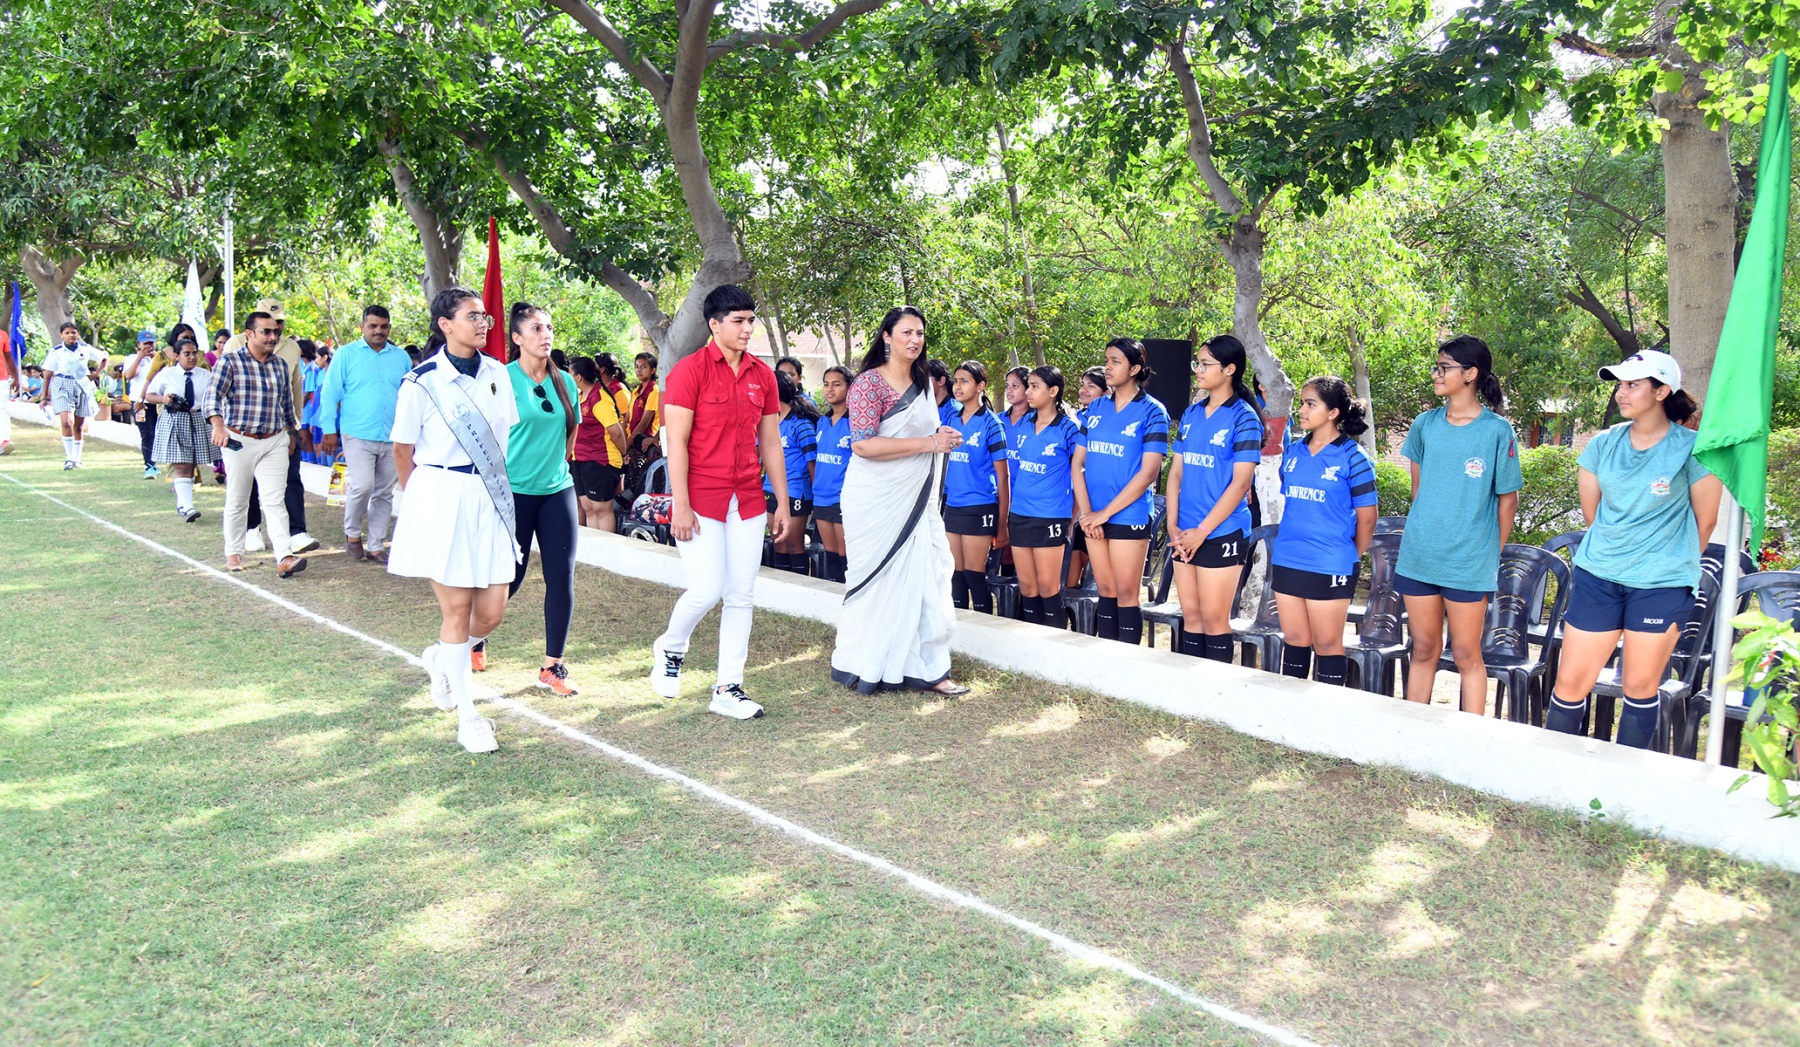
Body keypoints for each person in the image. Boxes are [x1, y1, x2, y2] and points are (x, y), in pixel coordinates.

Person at [1544, 351, 1722, 747]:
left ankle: (1624, 779)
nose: (1621, 393)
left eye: (1633, 385)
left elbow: (1705, 521)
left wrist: (1667, 562)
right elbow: (1593, 515)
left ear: (1661, 391)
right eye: (1620, 385)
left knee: (1639, 685)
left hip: (1661, 584)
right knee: (1571, 681)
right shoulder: (1602, 444)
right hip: (1599, 575)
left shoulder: (1694, 449)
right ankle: (1555, 769)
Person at [648, 284, 792, 720]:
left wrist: (782, 503)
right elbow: (676, 442)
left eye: (751, 320)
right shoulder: (689, 372)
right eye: (738, 321)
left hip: (747, 497)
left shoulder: (762, 376)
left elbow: (770, 443)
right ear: (714, 324)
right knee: (706, 589)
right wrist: (681, 504)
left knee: (741, 594)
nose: (748, 328)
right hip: (700, 498)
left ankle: (728, 687)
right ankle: (671, 647)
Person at [389, 288, 520, 753]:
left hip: (489, 496)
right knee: (458, 611)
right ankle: (469, 717)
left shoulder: (497, 373)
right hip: (442, 495)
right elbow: (402, 449)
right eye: (472, 316)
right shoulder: (421, 382)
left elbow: (504, 438)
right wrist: (423, 502)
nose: (482, 323)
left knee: (491, 613)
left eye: (484, 317)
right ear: (445, 324)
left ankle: (442, 659)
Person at [829, 307, 969, 695]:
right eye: (906, 332)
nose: (915, 340)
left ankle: (929, 669)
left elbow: (921, 433)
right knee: (878, 580)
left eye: (920, 333)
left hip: (917, 500)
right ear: (887, 337)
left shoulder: (922, 382)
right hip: (876, 500)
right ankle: (863, 663)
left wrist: (941, 437)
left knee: (929, 573)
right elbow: (862, 444)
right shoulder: (868, 384)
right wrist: (930, 442)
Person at [1396, 335, 1522, 714]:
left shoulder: (1497, 431)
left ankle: (1471, 738)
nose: (1436, 374)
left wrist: (1490, 554)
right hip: (1419, 557)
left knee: (1467, 655)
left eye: (1444, 368)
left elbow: (1508, 501)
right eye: (1436, 367)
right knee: (1423, 649)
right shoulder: (1425, 424)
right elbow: (1419, 491)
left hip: (1469, 564)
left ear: (1470, 374)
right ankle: (1413, 730)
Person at [500, 302, 584, 697]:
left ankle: (552, 667)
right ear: (517, 337)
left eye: (548, 327)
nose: (545, 334)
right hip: (513, 492)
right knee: (510, 577)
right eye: (535, 328)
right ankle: (474, 639)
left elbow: (571, 430)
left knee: (561, 575)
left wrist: (557, 466)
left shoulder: (565, 381)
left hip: (557, 490)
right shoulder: (501, 379)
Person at [1271, 376, 1379, 685]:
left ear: (1333, 413)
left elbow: (1367, 518)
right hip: (1289, 559)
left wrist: (1348, 555)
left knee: (1327, 644)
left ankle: (1329, 710)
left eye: (1311, 404)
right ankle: (1292, 709)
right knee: (1295, 639)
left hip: (1331, 564)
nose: (1302, 410)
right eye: (1302, 403)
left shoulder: (1353, 457)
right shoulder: (1293, 452)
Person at [1166, 335, 1264, 662]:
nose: (1198, 369)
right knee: (1191, 617)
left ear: (1229, 369)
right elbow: (1176, 473)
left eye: (1206, 364)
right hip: (1185, 531)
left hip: (1221, 531)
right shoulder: (1192, 413)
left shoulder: (1244, 417)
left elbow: (1240, 485)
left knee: (1213, 620)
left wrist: (1203, 531)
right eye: (1198, 363)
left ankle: (1216, 688)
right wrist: (1172, 525)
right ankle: (1190, 686)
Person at [1073, 338, 1169, 645]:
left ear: (1135, 369)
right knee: (1106, 591)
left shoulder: (1153, 411)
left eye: (1116, 362)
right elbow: (1077, 464)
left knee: (1126, 593)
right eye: (1107, 360)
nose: (1108, 367)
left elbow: (1148, 473)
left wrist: (1104, 514)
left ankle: (1129, 662)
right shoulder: (1096, 408)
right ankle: (1106, 660)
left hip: (1129, 516)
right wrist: (1088, 514)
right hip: (1093, 516)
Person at [203, 311, 308, 577]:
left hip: (274, 440)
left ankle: (284, 556)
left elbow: (286, 405)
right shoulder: (230, 362)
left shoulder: (280, 365)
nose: (273, 337)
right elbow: (212, 397)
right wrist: (218, 425)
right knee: (238, 498)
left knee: (275, 501)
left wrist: (292, 434)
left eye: (276, 332)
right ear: (249, 334)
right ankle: (233, 553)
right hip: (239, 440)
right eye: (266, 332)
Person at [222, 299, 317, 556]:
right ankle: (251, 529)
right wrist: (220, 426)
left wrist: (294, 427)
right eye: (269, 325)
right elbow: (219, 390)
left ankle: (295, 536)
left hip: (279, 430)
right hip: (243, 431)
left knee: (289, 480)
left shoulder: (291, 349)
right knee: (245, 487)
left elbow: (294, 391)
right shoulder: (235, 346)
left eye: (279, 323)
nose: (275, 329)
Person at [318, 305, 410, 562]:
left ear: (389, 327)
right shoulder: (346, 355)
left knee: (384, 492)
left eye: (383, 326)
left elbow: (409, 395)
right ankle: (352, 534)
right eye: (373, 326)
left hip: (393, 435)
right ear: (362, 327)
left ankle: (377, 545)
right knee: (362, 486)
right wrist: (329, 430)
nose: (378, 331)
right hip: (358, 433)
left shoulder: (401, 357)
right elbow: (330, 392)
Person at [1008, 366, 1084, 629]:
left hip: (1050, 516)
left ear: (1053, 391)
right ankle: (1032, 646)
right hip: (1020, 514)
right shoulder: (1024, 424)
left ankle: (1056, 645)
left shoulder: (1069, 428)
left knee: (1048, 588)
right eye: (1028, 385)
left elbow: (1079, 474)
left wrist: (1071, 518)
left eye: (1035, 386)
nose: (1028, 392)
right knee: (1028, 588)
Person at [943, 360, 1010, 614]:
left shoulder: (992, 424)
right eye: (956, 381)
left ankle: (985, 626)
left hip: (980, 507)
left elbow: (1003, 478)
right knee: (956, 574)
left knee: (974, 573)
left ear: (981, 386)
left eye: (964, 381)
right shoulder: (952, 418)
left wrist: (1002, 525)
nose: (957, 386)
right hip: (953, 506)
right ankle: (959, 628)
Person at [144, 340, 218, 522]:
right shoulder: (166, 374)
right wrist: (163, 399)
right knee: (181, 464)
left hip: (198, 419)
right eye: (187, 354)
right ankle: (188, 507)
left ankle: (183, 504)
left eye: (194, 353)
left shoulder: (206, 375)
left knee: (191, 464)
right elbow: (149, 395)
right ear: (176, 356)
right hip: (175, 419)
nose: (192, 357)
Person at [763, 371, 818, 574]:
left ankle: (799, 586)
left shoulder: (801, 423)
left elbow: (812, 463)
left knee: (794, 545)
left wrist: (816, 498)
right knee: (778, 542)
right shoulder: (768, 423)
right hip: (770, 490)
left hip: (796, 491)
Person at [570, 355, 627, 532]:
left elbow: (616, 432)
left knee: (602, 510)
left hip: (600, 460)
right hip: (580, 459)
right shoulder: (580, 396)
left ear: (578, 377)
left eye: (569, 374)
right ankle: (594, 548)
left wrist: (624, 454)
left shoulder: (599, 399)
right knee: (588, 508)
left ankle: (607, 547)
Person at [38, 322, 106, 469]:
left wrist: (96, 374)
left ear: (78, 334)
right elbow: (47, 375)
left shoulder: (85, 349)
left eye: (73, 332)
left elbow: (104, 358)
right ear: (62, 335)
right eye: (67, 333)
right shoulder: (56, 352)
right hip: (62, 384)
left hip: (81, 385)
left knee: (79, 425)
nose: (71, 335)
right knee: (66, 422)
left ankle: (77, 459)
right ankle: (69, 458)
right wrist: (43, 397)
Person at [811, 365, 853, 582]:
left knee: (846, 554)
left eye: (836, 384)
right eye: (826, 384)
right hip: (821, 496)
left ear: (849, 388)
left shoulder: (855, 422)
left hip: (842, 497)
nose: (830, 389)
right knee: (830, 553)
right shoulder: (822, 421)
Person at [124, 331, 169, 478]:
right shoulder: (132, 358)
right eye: (145, 343)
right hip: (140, 402)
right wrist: (140, 357)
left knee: (157, 432)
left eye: (151, 343)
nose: (148, 346)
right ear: (139, 344)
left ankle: (154, 462)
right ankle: (149, 465)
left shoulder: (160, 358)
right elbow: (129, 375)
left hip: (157, 400)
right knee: (147, 433)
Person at [629, 351, 661, 448]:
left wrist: (626, 446)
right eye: (636, 366)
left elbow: (644, 424)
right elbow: (627, 417)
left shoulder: (654, 391)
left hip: (646, 441)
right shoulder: (636, 391)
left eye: (643, 367)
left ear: (652, 370)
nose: (639, 370)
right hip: (632, 439)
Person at [927, 358, 958, 427]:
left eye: (926, 380)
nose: (922, 384)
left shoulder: (954, 411)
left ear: (941, 381)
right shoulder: (926, 409)